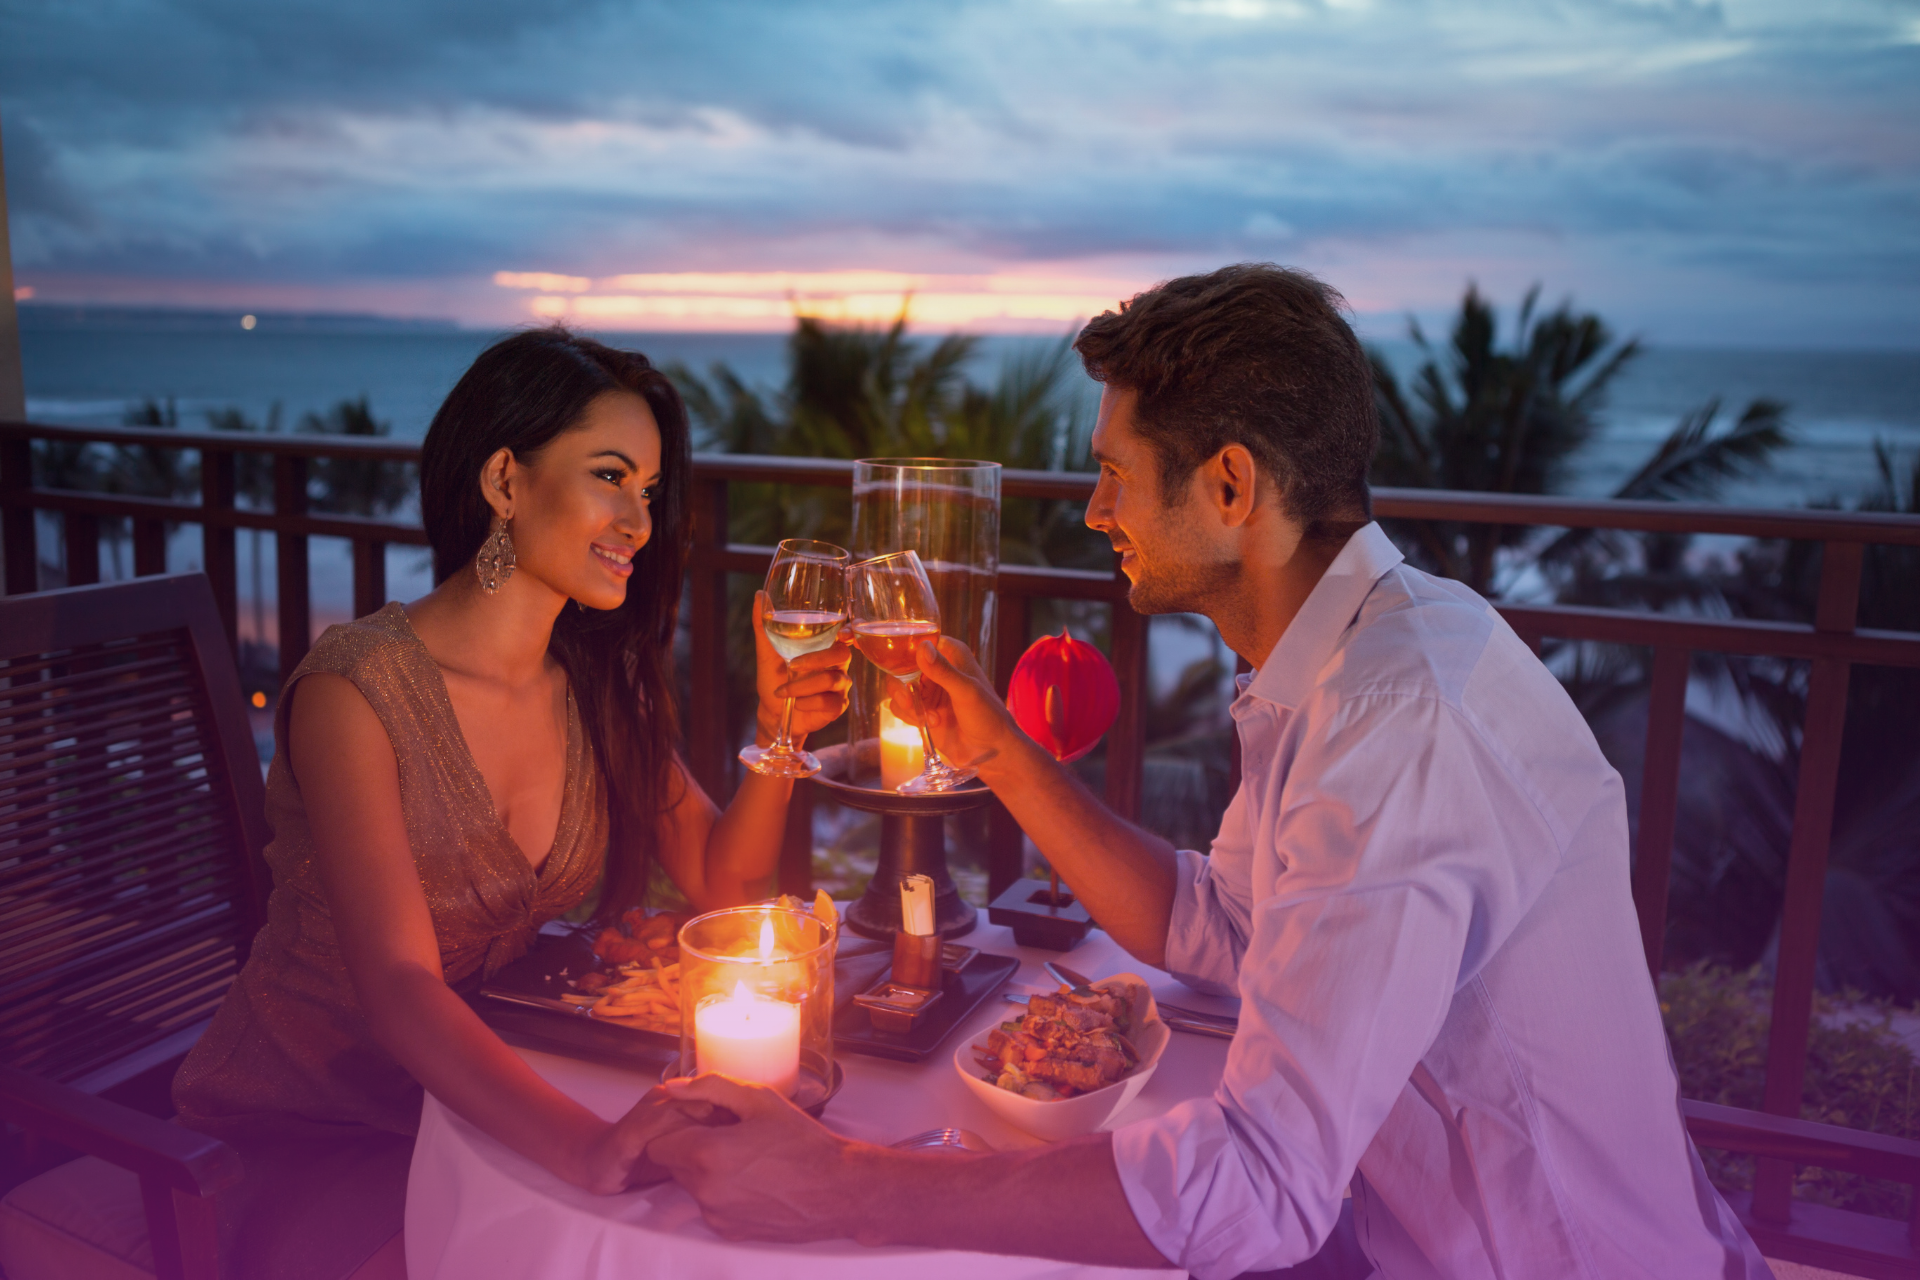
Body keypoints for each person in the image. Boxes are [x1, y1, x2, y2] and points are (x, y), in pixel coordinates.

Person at [646, 266, 1774, 1278]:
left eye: (1115, 476)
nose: (1094, 513)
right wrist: (996, 745)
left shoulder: (1400, 719)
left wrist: (839, 1181)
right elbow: (1225, 924)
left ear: (1231, 486)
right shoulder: (1353, 654)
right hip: (1396, 1235)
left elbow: (1260, 1186)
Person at [170, 328, 852, 1279]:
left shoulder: (598, 683)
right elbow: (401, 988)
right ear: (504, 482)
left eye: (649, 493)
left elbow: (724, 884)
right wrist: (589, 1145)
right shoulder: (355, 692)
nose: (639, 523)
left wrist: (781, 731)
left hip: (471, 1107)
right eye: (610, 477)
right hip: (303, 1123)